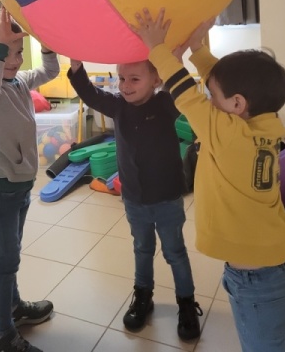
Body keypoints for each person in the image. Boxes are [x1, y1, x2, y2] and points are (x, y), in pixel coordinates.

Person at [131, 7, 285, 352]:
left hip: (255, 282)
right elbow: (225, 87)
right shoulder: (266, 124)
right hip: (276, 268)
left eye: (213, 99)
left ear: (237, 104)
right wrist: (198, 49)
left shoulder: (230, 134)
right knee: (281, 341)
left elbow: (186, 95)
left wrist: (157, 49)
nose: (209, 103)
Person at [68, 58, 202, 340]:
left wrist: (172, 59)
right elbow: (90, 94)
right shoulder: (118, 106)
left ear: (156, 81)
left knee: (175, 252)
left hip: (167, 198)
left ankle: (187, 303)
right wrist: (77, 68)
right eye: (122, 78)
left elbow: (183, 89)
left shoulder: (165, 103)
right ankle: (143, 296)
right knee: (142, 248)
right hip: (134, 198)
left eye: (134, 79)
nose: (125, 86)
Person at [0, 8, 60, 352]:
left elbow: (50, 70)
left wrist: (46, 43)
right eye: (4, 53)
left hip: (19, 188)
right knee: (6, 262)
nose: (14, 60)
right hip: (0, 192)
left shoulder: (20, 81)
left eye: (19, 52)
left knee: (12, 255)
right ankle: (1, 335)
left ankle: (14, 307)